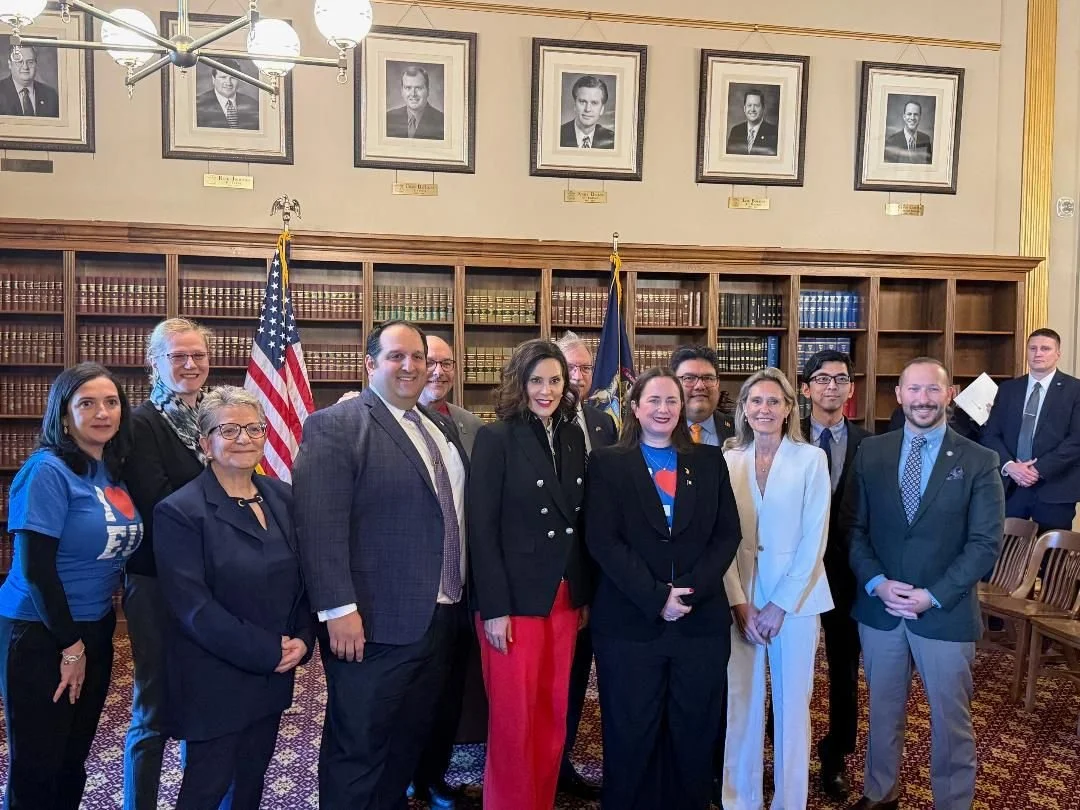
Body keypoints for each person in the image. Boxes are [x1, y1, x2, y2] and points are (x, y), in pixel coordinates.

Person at [293, 320, 469, 810]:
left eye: (419, 357)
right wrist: (337, 609)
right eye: (396, 356)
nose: (410, 366)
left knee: (404, 743)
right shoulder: (337, 425)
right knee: (359, 748)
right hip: (369, 624)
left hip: (438, 617)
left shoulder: (436, 425)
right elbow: (318, 525)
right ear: (370, 364)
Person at [845, 357, 1004, 810]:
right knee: (882, 712)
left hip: (945, 612)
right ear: (898, 395)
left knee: (951, 722)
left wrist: (932, 595)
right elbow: (853, 528)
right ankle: (880, 793)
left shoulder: (980, 460)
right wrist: (876, 582)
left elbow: (984, 543)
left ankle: (952, 803)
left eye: (932, 390)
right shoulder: (871, 453)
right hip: (881, 609)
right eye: (913, 390)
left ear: (950, 393)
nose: (922, 400)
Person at [586, 367, 741, 810]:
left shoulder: (710, 462)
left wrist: (686, 594)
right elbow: (603, 540)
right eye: (653, 400)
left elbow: (727, 535)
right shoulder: (608, 463)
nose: (663, 409)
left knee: (693, 727)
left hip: (699, 624)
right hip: (630, 623)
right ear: (635, 407)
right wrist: (657, 597)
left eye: (671, 400)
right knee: (631, 727)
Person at [153, 386, 314, 810]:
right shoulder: (179, 511)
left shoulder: (283, 496)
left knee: (249, 785)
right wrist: (266, 650)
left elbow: (302, 577)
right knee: (206, 789)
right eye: (229, 430)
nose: (244, 438)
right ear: (205, 443)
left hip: (273, 672)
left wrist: (303, 636)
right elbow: (193, 608)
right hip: (214, 678)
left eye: (253, 428)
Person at [0, 362, 143, 808]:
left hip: (94, 626)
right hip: (41, 632)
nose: (102, 412)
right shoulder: (45, 471)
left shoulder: (111, 471)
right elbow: (37, 571)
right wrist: (70, 647)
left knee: (72, 757)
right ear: (64, 415)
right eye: (87, 403)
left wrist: (86, 642)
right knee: (37, 765)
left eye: (111, 402)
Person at [468, 338, 591, 810]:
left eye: (555, 380)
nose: (546, 390)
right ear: (520, 383)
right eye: (537, 380)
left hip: (562, 598)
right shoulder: (497, 437)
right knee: (515, 721)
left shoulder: (573, 436)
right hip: (513, 602)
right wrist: (494, 609)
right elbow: (483, 528)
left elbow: (576, 522)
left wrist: (581, 594)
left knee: (551, 714)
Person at [721, 367, 832, 810]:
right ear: (744, 410)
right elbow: (721, 539)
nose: (764, 409)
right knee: (741, 705)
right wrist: (740, 602)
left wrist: (779, 606)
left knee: (791, 709)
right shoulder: (728, 460)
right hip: (742, 602)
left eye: (773, 401)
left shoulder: (810, 460)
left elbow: (814, 539)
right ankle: (739, 800)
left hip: (796, 604)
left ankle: (790, 801)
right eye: (755, 401)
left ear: (789, 408)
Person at [121, 317, 212, 810]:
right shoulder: (141, 424)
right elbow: (158, 507)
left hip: (210, 582)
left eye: (198, 355)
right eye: (178, 355)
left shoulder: (218, 419)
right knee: (153, 705)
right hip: (156, 581)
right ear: (153, 363)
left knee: (205, 699)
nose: (191, 364)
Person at [411, 334, 483, 810]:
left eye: (447, 363)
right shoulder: (383, 422)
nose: (438, 372)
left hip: (462, 588)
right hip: (409, 593)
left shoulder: (473, 427)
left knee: (448, 694)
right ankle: (401, 776)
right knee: (407, 697)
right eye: (428, 362)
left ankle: (434, 778)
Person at [800, 350, 871, 801]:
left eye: (840, 379)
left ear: (850, 389)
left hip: (848, 574)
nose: (831, 387)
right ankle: (779, 746)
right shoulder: (782, 437)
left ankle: (835, 756)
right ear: (805, 389)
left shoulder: (872, 444)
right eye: (822, 379)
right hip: (795, 573)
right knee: (785, 665)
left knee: (844, 669)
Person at [554, 330, 617, 800]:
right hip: (559, 574)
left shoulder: (604, 423)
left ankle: (568, 755)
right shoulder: (536, 422)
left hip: (606, 574)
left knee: (593, 674)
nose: (577, 378)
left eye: (584, 369)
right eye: (568, 369)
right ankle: (550, 762)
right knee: (559, 676)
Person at [980, 328, 1080, 531]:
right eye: (1033, 348)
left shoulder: (1075, 389)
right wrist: (1009, 466)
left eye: (1045, 348)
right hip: (1012, 487)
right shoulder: (1008, 389)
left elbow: (1076, 440)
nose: (1038, 353)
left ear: (1057, 354)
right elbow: (991, 435)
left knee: (1052, 559)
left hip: (1055, 488)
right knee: (1006, 554)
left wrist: (1037, 469)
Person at [671, 345, 735, 445]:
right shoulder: (658, 430)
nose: (700, 386)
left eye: (708, 378)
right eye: (689, 378)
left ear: (718, 383)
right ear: (673, 384)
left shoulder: (739, 431)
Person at [195, 60, 259, 130]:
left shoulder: (254, 105)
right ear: (213, 79)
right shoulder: (197, 104)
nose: (228, 83)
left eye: (233, 78)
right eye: (223, 77)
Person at [387, 65, 445, 140]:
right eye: (408, 88)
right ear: (402, 91)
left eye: (418, 88)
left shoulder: (442, 121)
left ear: (428, 91)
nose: (413, 94)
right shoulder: (389, 118)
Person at [0, 45, 60, 117]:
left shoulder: (50, 95)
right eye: (19, 62)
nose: (25, 67)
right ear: (10, 64)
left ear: (36, 64)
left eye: (30, 62)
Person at [559, 75, 615, 149]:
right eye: (582, 102)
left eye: (594, 103)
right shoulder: (557, 135)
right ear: (575, 105)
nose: (587, 109)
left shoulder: (613, 141)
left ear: (602, 109)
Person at [725, 88, 777, 156]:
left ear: (763, 108)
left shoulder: (774, 132)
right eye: (749, 105)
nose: (752, 109)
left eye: (756, 106)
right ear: (744, 108)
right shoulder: (735, 131)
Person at [883, 100, 932, 164]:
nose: (912, 118)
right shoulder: (892, 141)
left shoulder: (926, 139)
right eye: (909, 114)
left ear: (920, 117)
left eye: (916, 114)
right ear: (904, 117)